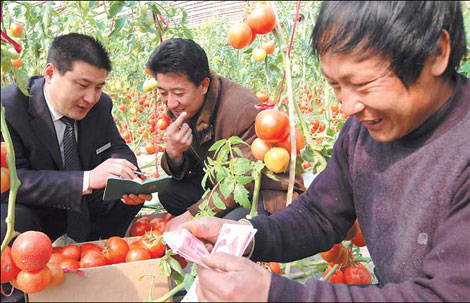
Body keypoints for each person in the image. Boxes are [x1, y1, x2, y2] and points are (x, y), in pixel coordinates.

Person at [176, 1, 470, 301]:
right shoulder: (363, 132)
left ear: (436, 52)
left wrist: (278, 294)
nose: (347, 107)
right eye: (336, 86)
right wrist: (247, 235)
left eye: (364, 84)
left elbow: (446, 295)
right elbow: (320, 215)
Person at [1, 33, 152, 245]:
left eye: (98, 87)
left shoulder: (100, 106)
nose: (91, 98)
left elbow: (117, 148)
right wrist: (87, 179)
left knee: (125, 198)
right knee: (9, 220)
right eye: (82, 85)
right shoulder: (9, 108)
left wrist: (129, 177)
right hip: (37, 210)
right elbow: (14, 182)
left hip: (82, 208)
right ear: (50, 73)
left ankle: (97, 250)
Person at [145, 38, 305, 220]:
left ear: (203, 85)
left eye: (179, 93)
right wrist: (174, 154)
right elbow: (195, 166)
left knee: (231, 228)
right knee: (169, 193)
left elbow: (242, 181)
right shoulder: (183, 106)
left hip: (263, 191)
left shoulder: (241, 110)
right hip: (220, 181)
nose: (171, 103)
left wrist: (191, 216)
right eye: (163, 93)